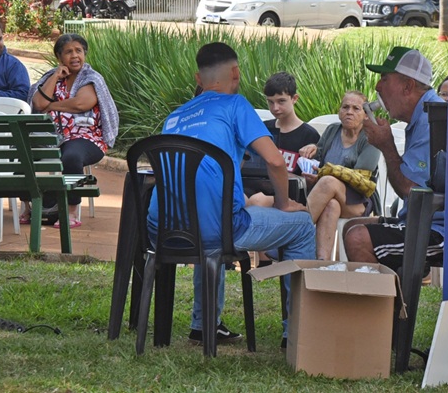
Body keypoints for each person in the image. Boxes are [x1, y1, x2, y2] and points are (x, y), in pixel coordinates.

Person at [147, 42, 315, 347]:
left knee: (209, 220)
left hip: (163, 231)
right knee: (302, 226)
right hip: (216, 231)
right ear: (235, 73)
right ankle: (297, 333)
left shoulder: (175, 116)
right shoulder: (235, 105)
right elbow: (275, 160)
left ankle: (203, 325)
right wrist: (282, 202)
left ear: (198, 79)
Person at [343, 46, 444, 270]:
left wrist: (386, 146)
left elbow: (410, 190)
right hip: (421, 220)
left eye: (385, 78)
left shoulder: (431, 120)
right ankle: (391, 300)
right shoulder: (424, 116)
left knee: (358, 237)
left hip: (441, 230)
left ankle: (389, 305)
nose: (378, 86)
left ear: (408, 86)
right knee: (352, 226)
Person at [25, 33, 119, 228]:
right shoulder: (52, 78)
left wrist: (51, 106)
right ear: (60, 57)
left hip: (88, 137)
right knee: (23, 153)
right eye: (68, 52)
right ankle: (30, 206)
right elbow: (38, 102)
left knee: (71, 157)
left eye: (79, 51)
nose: (75, 56)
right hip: (52, 136)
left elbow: (80, 104)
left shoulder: (91, 78)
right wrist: (56, 76)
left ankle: (71, 210)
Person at [297, 90, 381, 260]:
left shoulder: (372, 137)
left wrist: (326, 174)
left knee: (328, 181)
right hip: (333, 198)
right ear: (339, 111)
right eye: (345, 107)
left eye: (356, 108)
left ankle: (295, 235)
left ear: (366, 114)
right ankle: (322, 263)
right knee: (331, 205)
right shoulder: (332, 130)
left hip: (359, 201)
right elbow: (319, 160)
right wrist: (311, 151)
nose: (349, 112)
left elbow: (361, 178)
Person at [246, 71, 320, 204]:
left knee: (258, 201)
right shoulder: (264, 128)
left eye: (281, 101)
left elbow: (310, 179)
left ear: (294, 99)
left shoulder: (309, 135)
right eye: (270, 102)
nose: (275, 108)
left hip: (288, 194)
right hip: (257, 187)